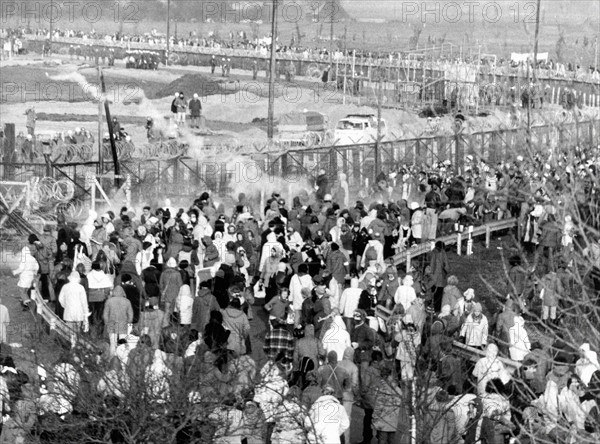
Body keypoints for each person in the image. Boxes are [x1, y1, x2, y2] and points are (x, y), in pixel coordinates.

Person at [103, 285, 133, 357]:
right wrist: (129, 322)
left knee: (112, 343)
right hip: (123, 323)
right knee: (122, 343)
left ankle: (112, 359)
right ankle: (122, 358)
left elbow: (105, 314)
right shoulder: (127, 301)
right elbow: (130, 314)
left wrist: (106, 323)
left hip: (112, 323)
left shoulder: (109, 301)